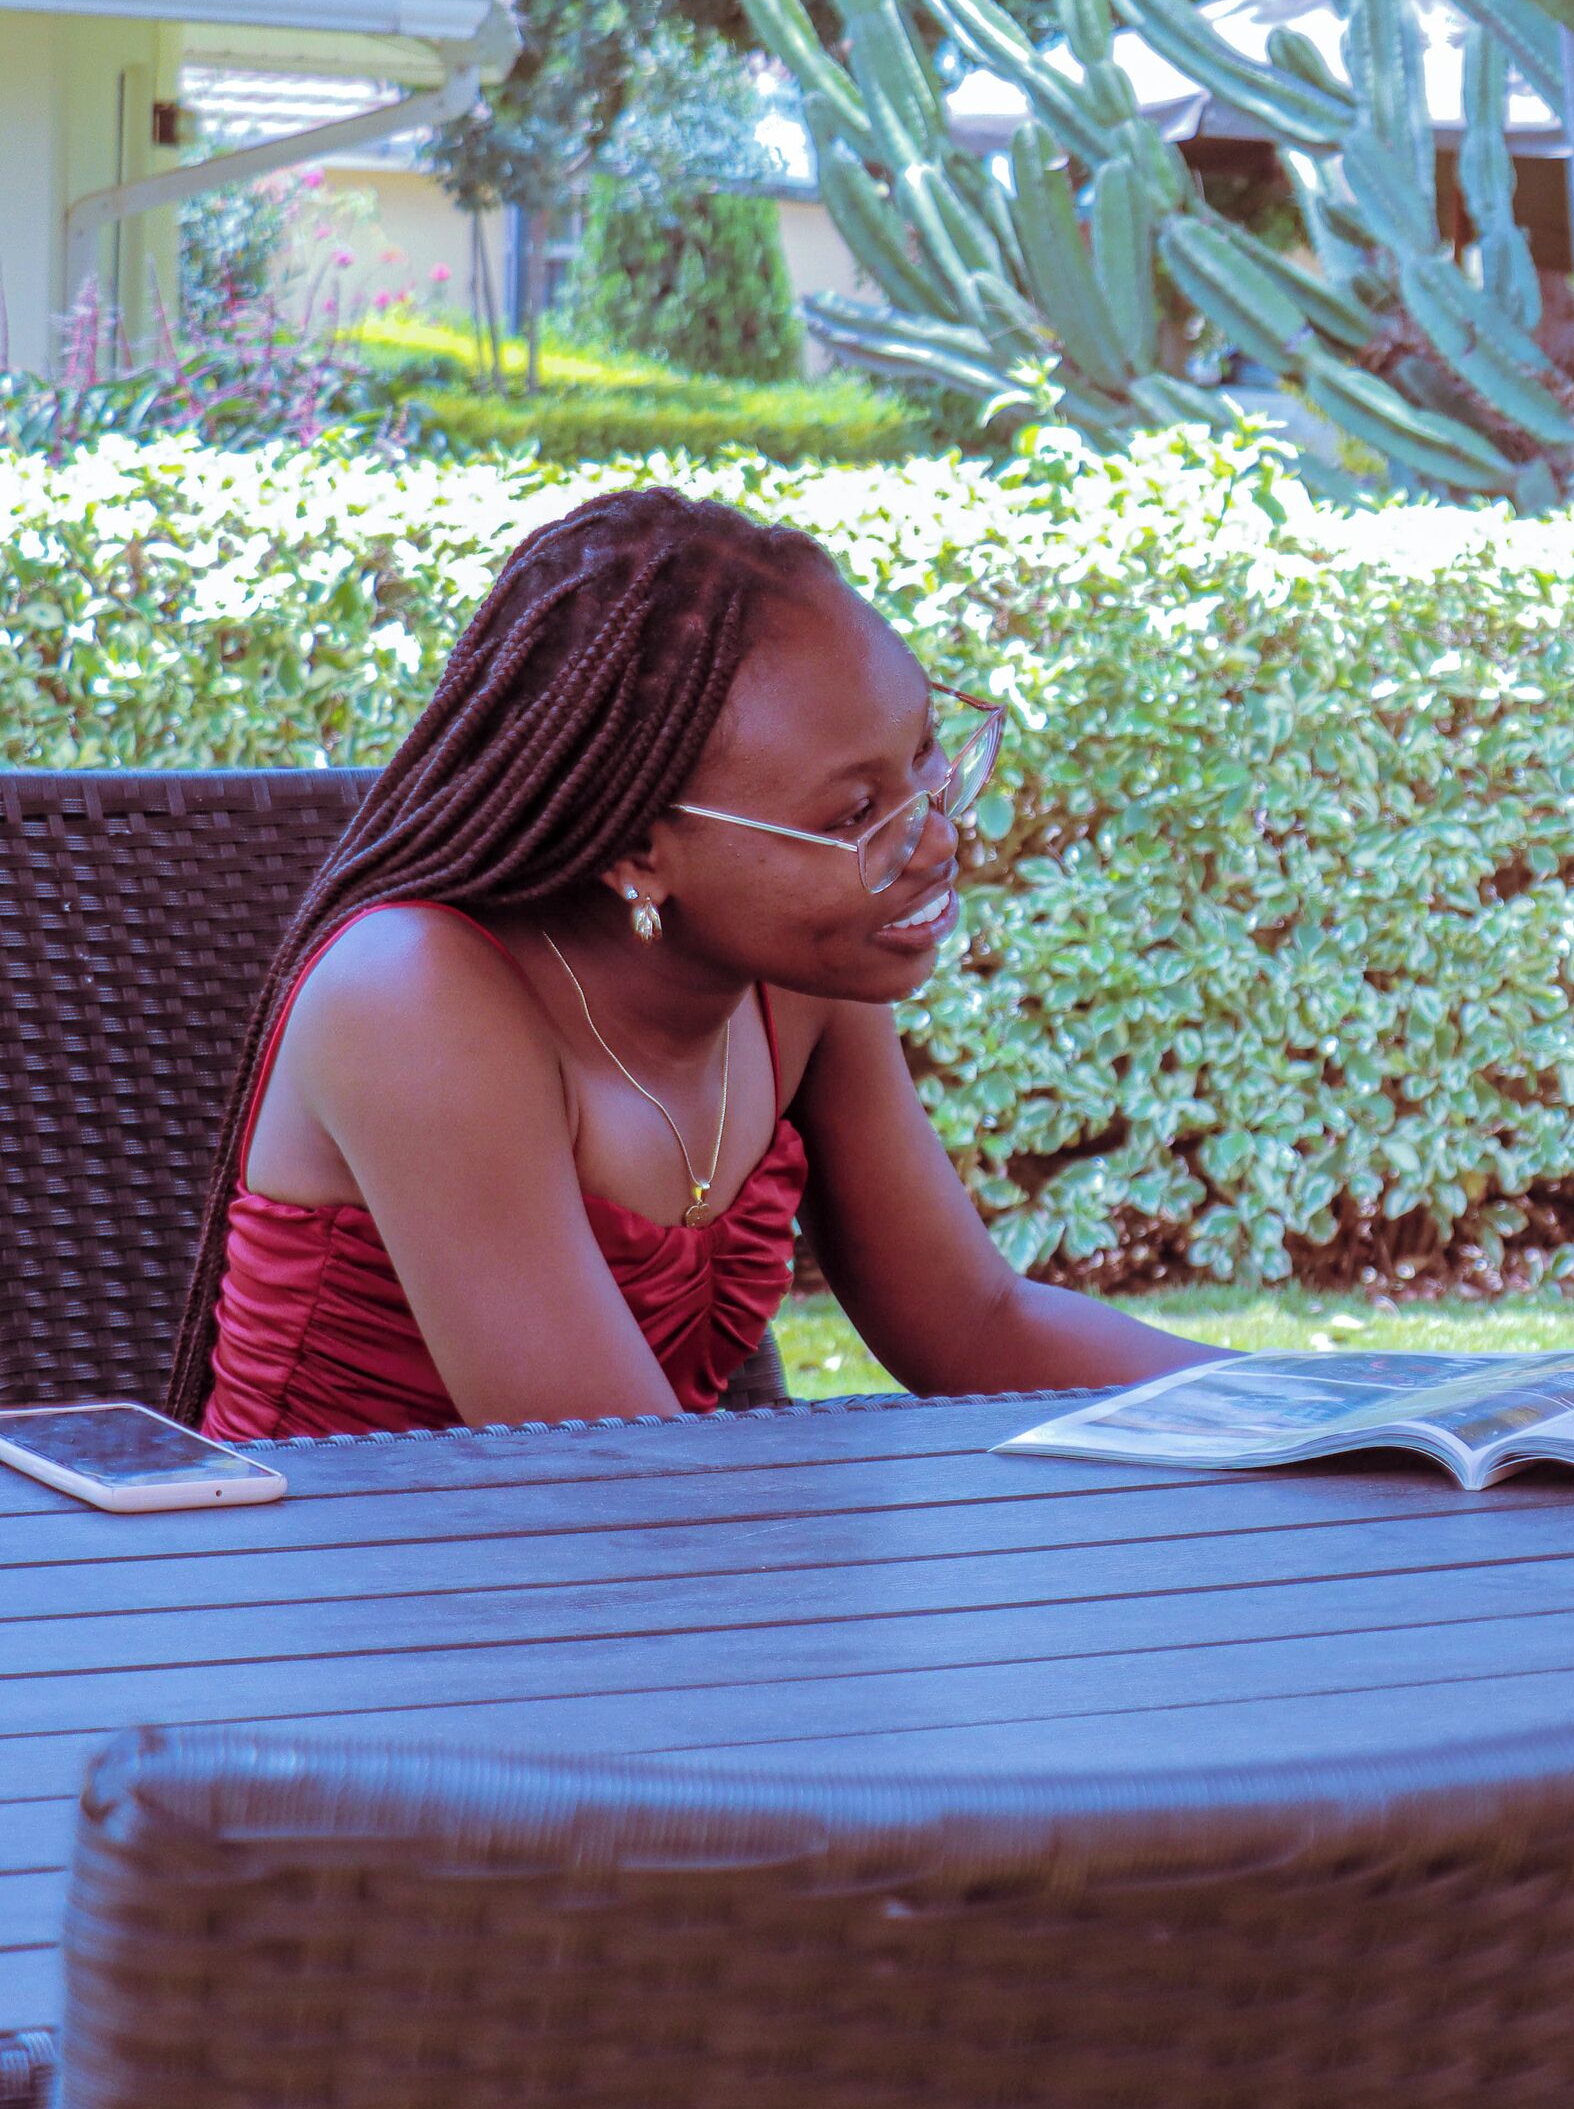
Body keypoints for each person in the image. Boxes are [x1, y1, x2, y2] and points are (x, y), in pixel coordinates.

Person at [173, 488, 1212, 1438]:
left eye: (926, 756)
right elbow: (604, 1479)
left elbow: (975, 1324)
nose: (937, 838)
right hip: (335, 1606)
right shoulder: (415, 1002)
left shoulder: (798, 979)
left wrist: (1317, 1410)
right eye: (856, 812)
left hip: (645, 1580)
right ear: (638, 849)